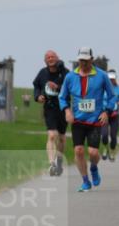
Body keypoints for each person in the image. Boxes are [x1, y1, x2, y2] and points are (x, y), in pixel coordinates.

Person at [59, 47, 114, 193]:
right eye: (81, 60)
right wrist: (67, 111)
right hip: (77, 121)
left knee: (94, 153)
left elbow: (112, 96)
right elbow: (62, 97)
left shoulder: (102, 76)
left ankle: (94, 168)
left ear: (92, 59)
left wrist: (107, 112)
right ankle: (85, 181)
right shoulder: (70, 77)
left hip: (95, 120)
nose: (83, 63)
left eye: (86, 60)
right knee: (78, 150)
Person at [32, 50, 69, 176]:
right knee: (52, 135)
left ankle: (59, 160)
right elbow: (36, 86)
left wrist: (57, 87)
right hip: (50, 107)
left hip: (63, 108)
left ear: (57, 58)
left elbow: (71, 87)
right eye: (48, 57)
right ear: (45, 60)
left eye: (52, 56)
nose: (50, 59)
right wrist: (38, 97)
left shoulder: (65, 72)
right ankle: (51, 164)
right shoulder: (42, 73)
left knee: (62, 138)